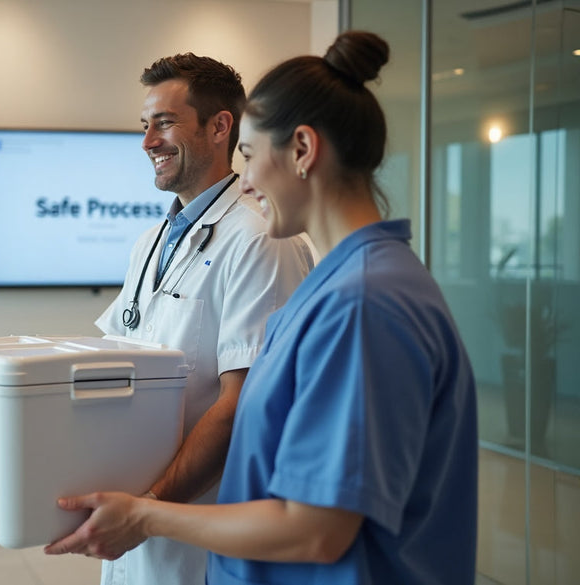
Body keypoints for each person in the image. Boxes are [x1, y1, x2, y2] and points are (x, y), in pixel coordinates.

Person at [46, 31, 479, 584]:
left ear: (302, 150)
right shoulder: (343, 287)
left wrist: (147, 513)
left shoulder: (366, 303)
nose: (244, 181)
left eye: (248, 155)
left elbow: (317, 529)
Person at [90, 53, 313, 585]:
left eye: (165, 122)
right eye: (145, 125)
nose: (148, 141)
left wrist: (150, 508)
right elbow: (116, 361)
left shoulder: (260, 238)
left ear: (219, 127)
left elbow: (243, 404)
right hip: (135, 515)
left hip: (200, 531)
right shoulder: (150, 243)